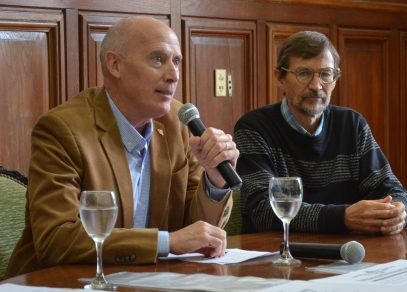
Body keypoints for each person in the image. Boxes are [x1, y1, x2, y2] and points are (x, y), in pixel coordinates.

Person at [4, 16, 238, 278]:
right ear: (115, 64)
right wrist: (166, 243)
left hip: (145, 279)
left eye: (177, 62)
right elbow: (57, 238)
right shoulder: (62, 129)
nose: (173, 75)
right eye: (158, 59)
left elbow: (194, 232)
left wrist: (215, 182)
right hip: (61, 282)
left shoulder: (178, 123)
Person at [234, 31, 407, 236]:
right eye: (304, 73)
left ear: (335, 79)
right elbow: (264, 211)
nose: (316, 86)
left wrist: (398, 212)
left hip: (347, 256)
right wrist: (343, 218)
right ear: (280, 78)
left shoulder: (352, 124)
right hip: (276, 256)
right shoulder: (254, 128)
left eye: (326, 74)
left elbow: (390, 188)